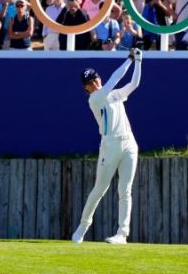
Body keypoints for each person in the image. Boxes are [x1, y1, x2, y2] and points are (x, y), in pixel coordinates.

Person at [72, 49, 143, 245]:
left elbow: (134, 84)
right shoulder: (94, 99)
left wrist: (139, 60)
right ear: (86, 88)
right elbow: (113, 79)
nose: (94, 83)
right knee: (100, 188)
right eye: (90, 83)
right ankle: (83, 227)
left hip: (129, 143)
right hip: (109, 146)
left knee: (125, 189)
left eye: (95, 79)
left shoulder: (114, 95)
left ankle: (122, 234)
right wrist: (129, 59)